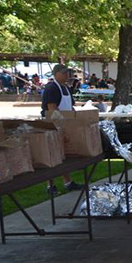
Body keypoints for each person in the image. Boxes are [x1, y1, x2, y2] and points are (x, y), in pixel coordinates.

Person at [41, 64, 82, 193]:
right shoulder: (52, 88)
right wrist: (62, 126)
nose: (67, 75)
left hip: (66, 124)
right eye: (64, 73)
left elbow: (70, 107)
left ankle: (68, 182)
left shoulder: (66, 88)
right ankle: (50, 185)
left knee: (64, 156)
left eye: (68, 73)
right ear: (56, 74)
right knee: (52, 157)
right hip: (53, 126)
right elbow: (52, 109)